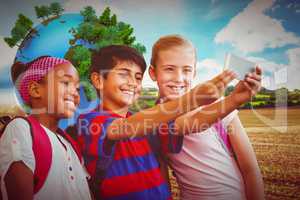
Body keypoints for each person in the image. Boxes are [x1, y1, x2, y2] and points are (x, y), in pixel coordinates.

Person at [76, 45, 240, 200]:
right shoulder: (90, 121)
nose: (133, 82)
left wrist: (235, 99)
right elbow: (125, 128)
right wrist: (192, 99)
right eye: (124, 74)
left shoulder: (149, 123)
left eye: (138, 77)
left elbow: (190, 123)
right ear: (98, 80)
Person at [148, 34, 264, 200]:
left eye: (186, 70)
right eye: (169, 69)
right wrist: (233, 100)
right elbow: (163, 178)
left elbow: (250, 169)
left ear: (194, 72)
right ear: (153, 73)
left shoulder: (221, 108)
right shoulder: (154, 120)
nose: (179, 78)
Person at [0, 56, 92, 200]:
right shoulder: (21, 129)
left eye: (78, 89)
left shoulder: (71, 144)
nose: (75, 93)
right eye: (66, 83)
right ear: (35, 90)